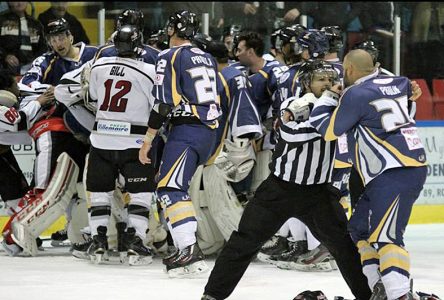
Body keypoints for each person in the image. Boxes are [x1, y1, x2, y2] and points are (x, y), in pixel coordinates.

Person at [201, 60, 372, 300]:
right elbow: (290, 133)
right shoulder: (295, 103)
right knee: (243, 243)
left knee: (345, 248)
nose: (327, 84)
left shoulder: (339, 106)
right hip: (280, 190)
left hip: (319, 194)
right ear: (306, 83)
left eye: (330, 80)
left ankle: (368, 296)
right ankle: (212, 295)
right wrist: (325, 124)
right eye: (320, 79)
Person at [309, 49, 427, 300]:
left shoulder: (356, 93)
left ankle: (399, 294)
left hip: (394, 170)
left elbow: (329, 131)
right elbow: (407, 92)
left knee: (388, 236)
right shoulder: (399, 82)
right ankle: (380, 288)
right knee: (359, 230)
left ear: (348, 69)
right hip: (396, 170)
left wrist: (328, 97)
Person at [138, 10, 221, 278]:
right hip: (208, 130)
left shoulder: (169, 55)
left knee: (171, 188)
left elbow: (164, 102)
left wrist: (148, 139)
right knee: (175, 187)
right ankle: (187, 248)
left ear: (174, 29)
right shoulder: (206, 56)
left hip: (187, 129)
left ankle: (189, 249)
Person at [86, 24, 157, 266]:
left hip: (101, 140)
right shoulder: (149, 70)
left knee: (99, 194)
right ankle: (135, 244)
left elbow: (94, 97)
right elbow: (157, 106)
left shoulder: (98, 65)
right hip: (135, 143)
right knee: (141, 194)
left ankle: (98, 243)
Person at [0, 2, 47, 75]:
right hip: (5, 70)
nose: (19, 2)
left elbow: (43, 49)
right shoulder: (2, 20)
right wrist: (5, 56)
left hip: (31, 70)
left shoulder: (35, 24)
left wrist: (35, 62)